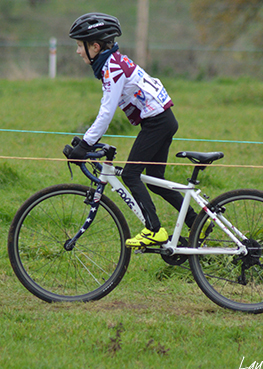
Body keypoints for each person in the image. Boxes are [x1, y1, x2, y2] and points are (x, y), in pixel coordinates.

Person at [68, 12, 197, 248]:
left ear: (95, 47)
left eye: (80, 45)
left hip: (157, 122)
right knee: (156, 181)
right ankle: (198, 223)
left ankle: (154, 230)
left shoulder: (112, 68)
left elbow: (106, 113)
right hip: (162, 120)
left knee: (130, 175)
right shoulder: (114, 62)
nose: (77, 51)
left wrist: (86, 144)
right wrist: (85, 142)